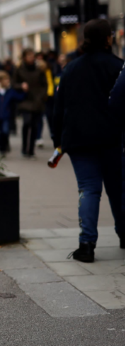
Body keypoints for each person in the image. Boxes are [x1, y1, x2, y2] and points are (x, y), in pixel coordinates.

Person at [53, 19, 124, 262]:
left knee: (88, 189)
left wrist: (58, 140)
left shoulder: (71, 69)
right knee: (118, 189)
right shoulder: (117, 66)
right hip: (112, 140)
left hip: (78, 140)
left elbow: (58, 108)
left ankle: (86, 244)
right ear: (107, 39)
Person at [13, 49, 48, 158]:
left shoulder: (39, 69)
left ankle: (31, 150)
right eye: (29, 56)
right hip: (25, 100)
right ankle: (24, 148)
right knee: (26, 122)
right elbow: (13, 83)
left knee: (34, 125)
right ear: (24, 57)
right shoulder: (19, 69)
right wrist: (21, 86)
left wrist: (41, 96)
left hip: (37, 100)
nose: (31, 58)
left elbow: (44, 85)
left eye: (32, 56)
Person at [0, 71, 25, 155]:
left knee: (5, 131)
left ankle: (5, 145)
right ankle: (1, 147)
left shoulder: (10, 91)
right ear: (0, 81)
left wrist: (24, 91)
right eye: (5, 80)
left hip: (6, 115)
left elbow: (18, 97)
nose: (7, 81)